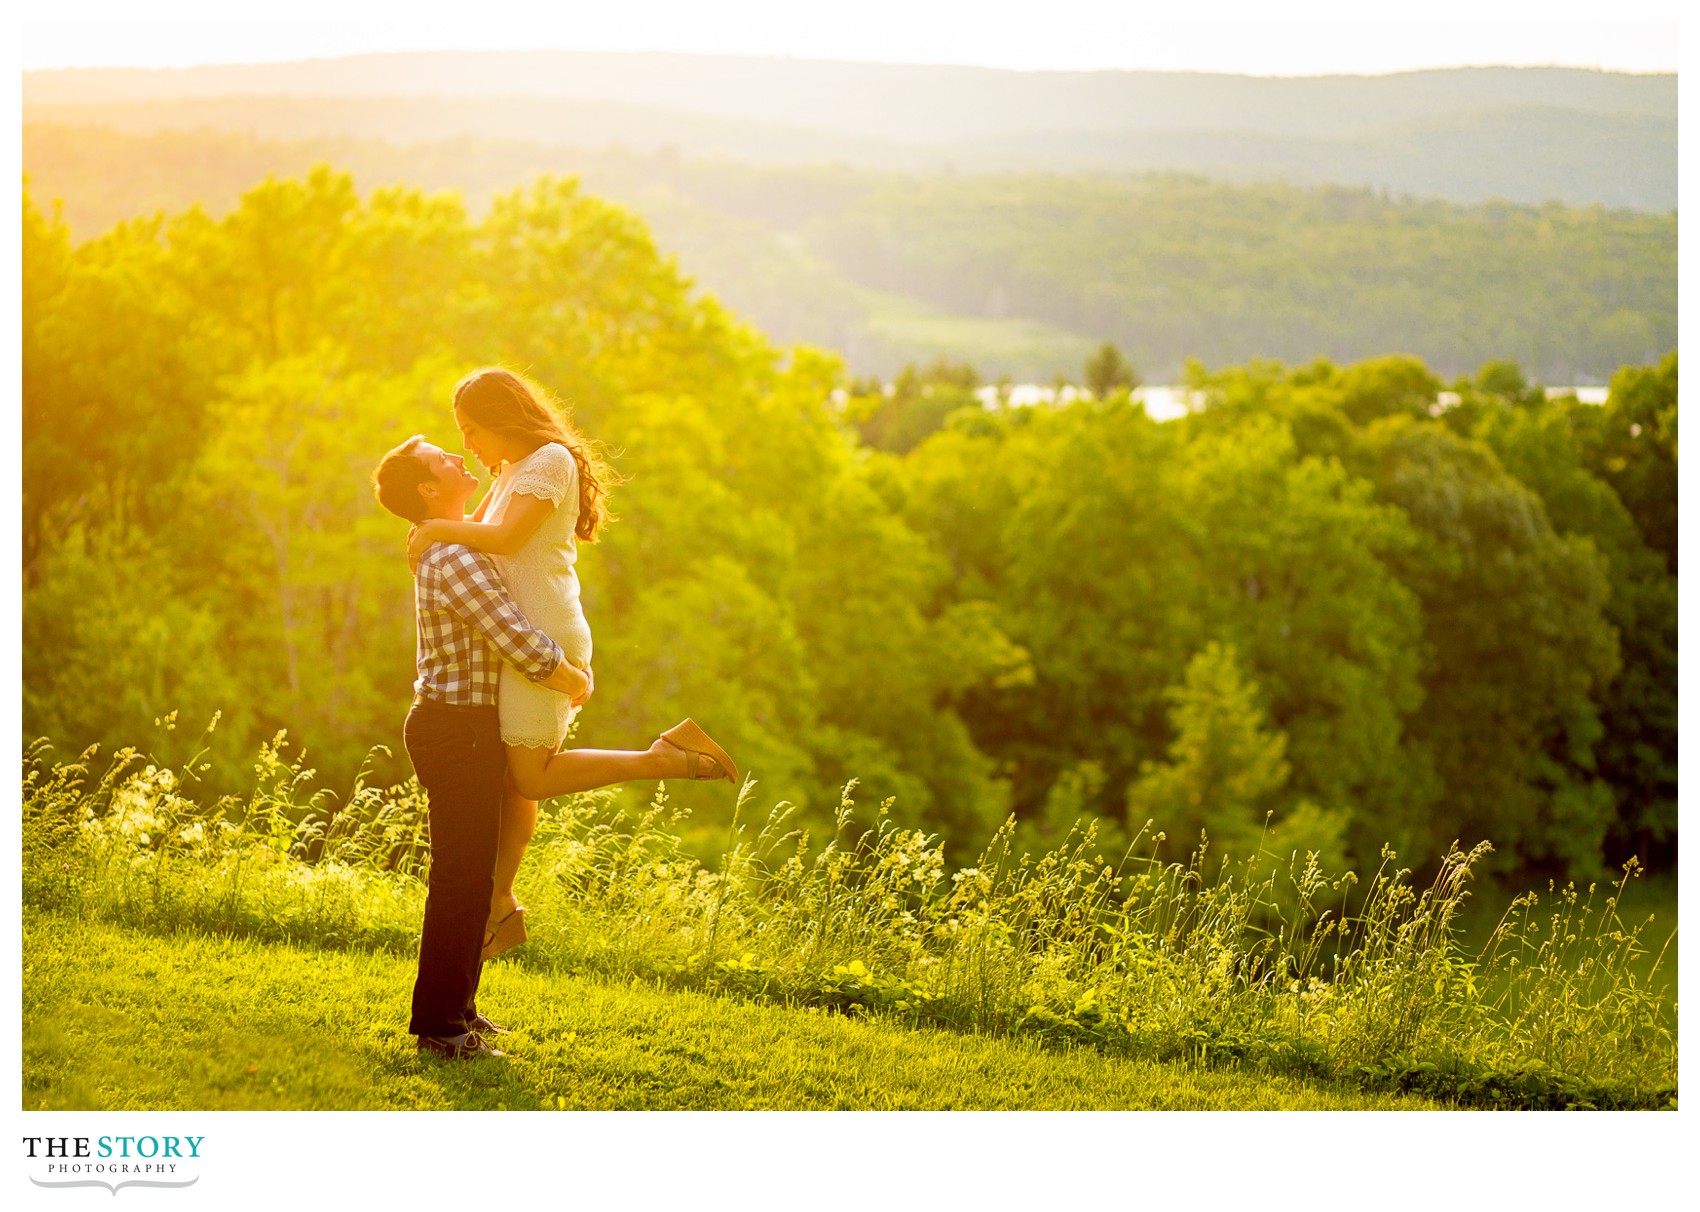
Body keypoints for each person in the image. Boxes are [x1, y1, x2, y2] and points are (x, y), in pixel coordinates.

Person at [403, 368, 737, 963]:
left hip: (542, 635)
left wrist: (431, 528)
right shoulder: (508, 470)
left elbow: (502, 539)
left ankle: (664, 758)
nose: (470, 447)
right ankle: (498, 903)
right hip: (515, 638)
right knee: (511, 779)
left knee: (530, 776)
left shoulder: (549, 461)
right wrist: (439, 530)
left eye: (472, 430)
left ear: (504, 418)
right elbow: (481, 533)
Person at [371, 435, 593, 1059]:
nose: (458, 458)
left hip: (467, 726)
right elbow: (512, 637)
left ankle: (459, 1008)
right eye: (445, 458)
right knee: (461, 878)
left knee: (473, 874)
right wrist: (570, 675)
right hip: (457, 728)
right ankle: (440, 1028)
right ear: (427, 489)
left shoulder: (456, 542)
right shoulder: (453, 557)